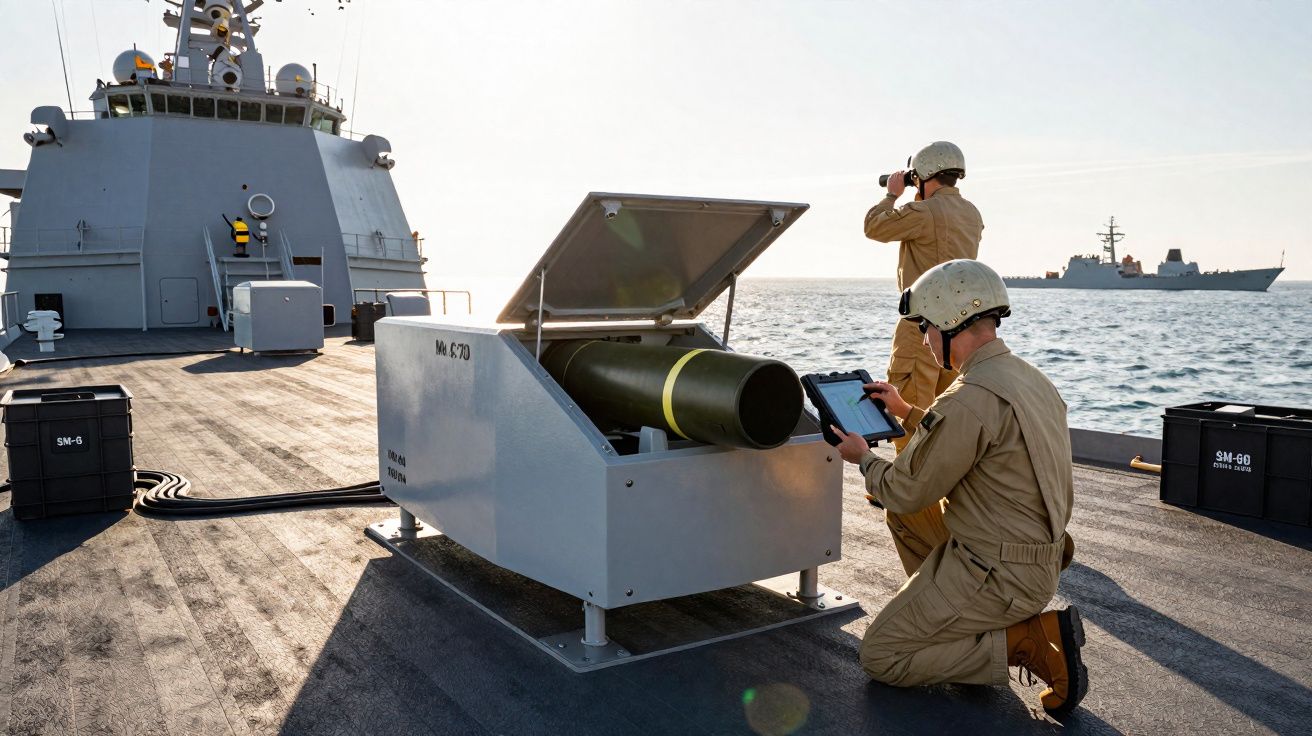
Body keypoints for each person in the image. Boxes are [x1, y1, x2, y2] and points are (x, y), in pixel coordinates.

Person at [830, 259, 1087, 720]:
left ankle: (1021, 643)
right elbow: (973, 442)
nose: (925, 340)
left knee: (882, 655)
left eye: (926, 327)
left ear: (950, 323)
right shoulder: (1028, 378)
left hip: (999, 574)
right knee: (906, 519)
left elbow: (904, 489)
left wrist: (861, 457)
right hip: (1033, 561)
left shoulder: (968, 398)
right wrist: (907, 410)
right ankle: (958, 624)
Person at [864, 140, 985, 576]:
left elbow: (875, 227)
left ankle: (907, 495)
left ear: (923, 173)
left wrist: (893, 193)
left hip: (921, 326)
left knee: (902, 404)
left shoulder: (923, 211)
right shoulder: (970, 213)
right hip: (958, 329)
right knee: (938, 409)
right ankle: (947, 492)